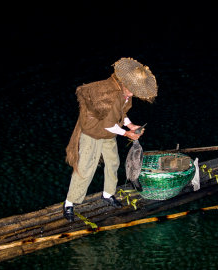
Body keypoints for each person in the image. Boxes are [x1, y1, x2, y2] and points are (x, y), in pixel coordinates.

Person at [63, 57, 158, 222]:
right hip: (93, 132)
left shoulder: (126, 94)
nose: (136, 93)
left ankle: (107, 194)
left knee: (113, 162)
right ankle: (69, 203)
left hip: (108, 132)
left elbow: (120, 114)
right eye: (135, 89)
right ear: (127, 84)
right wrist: (126, 134)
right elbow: (108, 124)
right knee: (85, 168)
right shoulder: (113, 96)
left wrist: (130, 125)